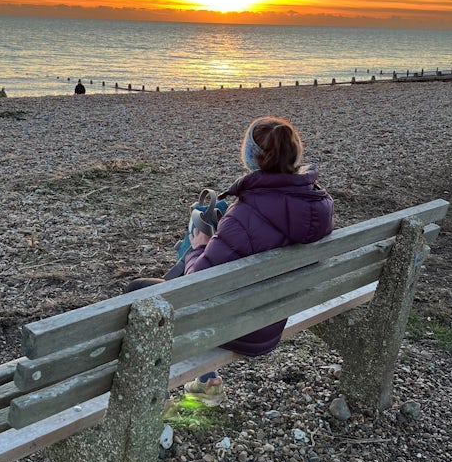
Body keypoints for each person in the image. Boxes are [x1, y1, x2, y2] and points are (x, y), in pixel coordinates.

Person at [126, 116, 334, 405]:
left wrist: (198, 248)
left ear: (252, 159)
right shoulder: (319, 208)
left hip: (241, 328)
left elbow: (198, 285)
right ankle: (206, 382)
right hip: (273, 317)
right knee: (193, 251)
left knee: (137, 293)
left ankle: (151, 400)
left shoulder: (243, 215)